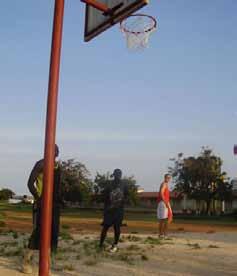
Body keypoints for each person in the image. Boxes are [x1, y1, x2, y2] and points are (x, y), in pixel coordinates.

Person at [22, 144, 62, 274]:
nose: (55, 152)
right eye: (53, 150)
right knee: (38, 231)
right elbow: (30, 183)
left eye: (56, 151)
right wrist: (39, 198)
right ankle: (27, 261)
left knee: (52, 232)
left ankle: (45, 264)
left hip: (54, 205)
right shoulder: (41, 164)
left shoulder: (57, 166)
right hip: (42, 203)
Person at [99, 169, 128, 253]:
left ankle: (115, 245)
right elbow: (104, 196)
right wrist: (107, 207)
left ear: (121, 175)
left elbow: (126, 196)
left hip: (119, 210)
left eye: (119, 175)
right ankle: (100, 244)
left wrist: (121, 201)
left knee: (117, 228)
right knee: (105, 227)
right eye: (116, 175)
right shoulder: (109, 184)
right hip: (109, 210)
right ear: (114, 175)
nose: (118, 176)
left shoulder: (124, 185)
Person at [157, 174, 173, 239]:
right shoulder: (164, 184)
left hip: (163, 202)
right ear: (165, 178)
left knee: (165, 218)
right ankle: (163, 234)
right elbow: (161, 193)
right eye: (167, 178)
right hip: (163, 202)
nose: (168, 179)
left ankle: (162, 234)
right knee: (165, 219)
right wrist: (165, 202)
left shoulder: (165, 184)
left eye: (169, 178)